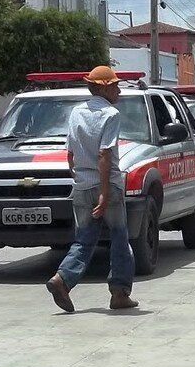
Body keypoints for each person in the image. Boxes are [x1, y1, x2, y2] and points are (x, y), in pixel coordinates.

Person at [46, 65, 137, 313]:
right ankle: (119, 293)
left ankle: (61, 279)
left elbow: (70, 154)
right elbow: (105, 155)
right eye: (115, 86)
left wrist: (79, 178)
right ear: (104, 87)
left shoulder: (77, 112)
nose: (119, 90)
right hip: (105, 184)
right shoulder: (110, 114)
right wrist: (105, 193)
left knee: (84, 239)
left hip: (82, 184)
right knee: (119, 238)